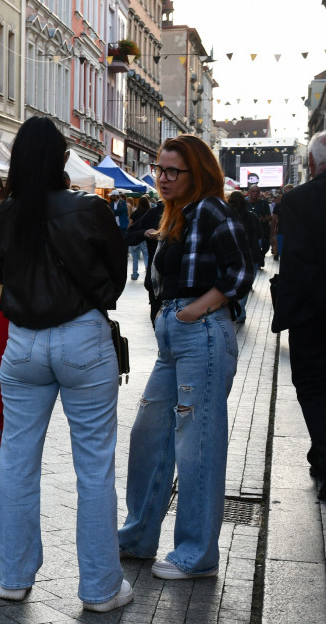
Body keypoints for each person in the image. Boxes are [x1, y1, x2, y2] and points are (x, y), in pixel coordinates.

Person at [0, 116, 130, 612]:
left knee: (16, 461)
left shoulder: (3, 215)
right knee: (94, 467)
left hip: (23, 342)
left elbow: (2, 273)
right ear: (62, 159)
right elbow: (115, 277)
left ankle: (12, 577)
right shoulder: (89, 209)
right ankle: (100, 588)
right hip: (81, 336)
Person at [118, 135, 254, 579]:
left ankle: (197, 555)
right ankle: (138, 536)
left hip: (202, 334)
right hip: (174, 338)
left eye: (172, 171)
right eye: (160, 169)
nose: (162, 177)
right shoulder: (176, 213)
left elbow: (241, 269)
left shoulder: (212, 210)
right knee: (149, 433)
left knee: (197, 444)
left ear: (197, 174)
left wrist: (195, 309)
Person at [275, 131, 326, 500]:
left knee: (313, 387)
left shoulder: (297, 200)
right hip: (311, 312)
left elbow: (297, 262)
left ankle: (323, 455)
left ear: (311, 162)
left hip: (312, 315)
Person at [226, 191, 262, 324]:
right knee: (245, 285)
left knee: (231, 283)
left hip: (233, 255)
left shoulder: (227, 216)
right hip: (251, 254)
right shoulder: (252, 216)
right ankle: (240, 312)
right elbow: (259, 236)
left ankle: (234, 311)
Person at [246, 184, 271, 267]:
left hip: (262, 230)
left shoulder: (264, 203)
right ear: (249, 192)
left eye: (257, 191)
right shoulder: (245, 203)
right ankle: (256, 261)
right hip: (250, 231)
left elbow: (269, 217)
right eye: (253, 191)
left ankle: (261, 256)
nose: (255, 193)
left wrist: (263, 219)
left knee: (266, 246)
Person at [128, 196, 150, 281]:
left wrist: (128, 234)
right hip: (145, 236)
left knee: (135, 257)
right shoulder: (149, 212)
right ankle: (148, 272)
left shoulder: (135, 213)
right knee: (146, 255)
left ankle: (134, 274)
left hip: (135, 236)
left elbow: (130, 224)